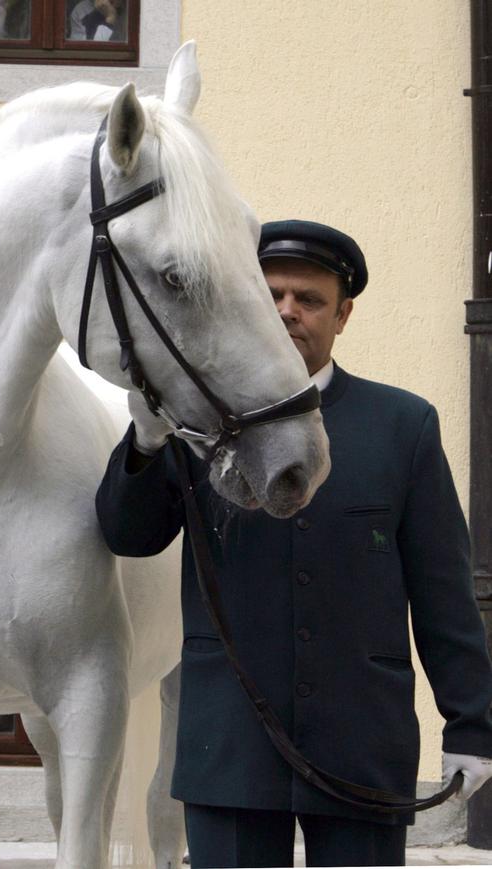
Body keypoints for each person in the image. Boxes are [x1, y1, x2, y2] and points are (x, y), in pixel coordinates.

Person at [95, 219, 492, 867]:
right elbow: (126, 534)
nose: (287, 311)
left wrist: (471, 723)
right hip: (228, 743)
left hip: (360, 737)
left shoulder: (403, 425)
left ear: (343, 315)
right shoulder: (199, 423)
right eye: (271, 294)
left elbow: (443, 590)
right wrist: (145, 439)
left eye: (308, 299)